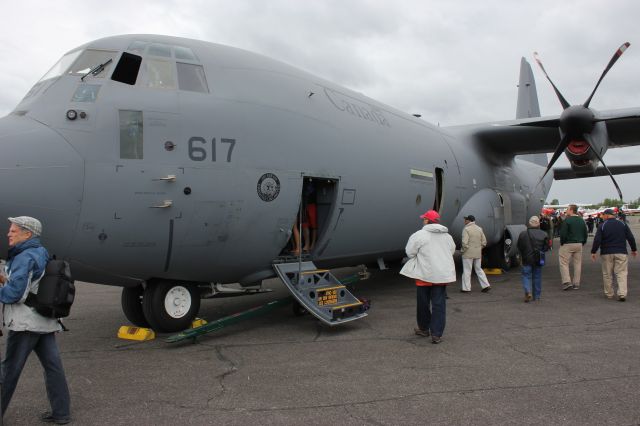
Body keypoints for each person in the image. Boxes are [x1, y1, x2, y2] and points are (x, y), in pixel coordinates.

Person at [0, 217, 71, 424]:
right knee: (53, 367)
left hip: (25, 323)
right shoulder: (41, 252)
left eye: (14, 231)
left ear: (27, 234)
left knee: (8, 370)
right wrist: (5, 280)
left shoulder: (24, 256)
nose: (8, 234)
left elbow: (16, 294)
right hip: (44, 321)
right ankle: (61, 413)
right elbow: (32, 284)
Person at [400, 210, 456, 344]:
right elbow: (452, 250)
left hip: (424, 275)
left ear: (426, 220)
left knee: (423, 304)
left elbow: (410, 252)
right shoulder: (447, 236)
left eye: (423, 219)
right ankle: (436, 334)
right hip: (441, 276)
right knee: (439, 305)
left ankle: (424, 328)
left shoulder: (419, 235)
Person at [591, 208, 637, 301]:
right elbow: (630, 237)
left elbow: (597, 240)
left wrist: (593, 251)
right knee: (622, 273)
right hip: (621, 252)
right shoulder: (622, 224)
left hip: (606, 253)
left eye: (603, 215)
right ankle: (622, 293)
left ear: (607, 215)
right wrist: (634, 249)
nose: (603, 217)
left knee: (607, 274)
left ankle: (609, 293)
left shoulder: (602, 225)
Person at [517, 216, 550, 302]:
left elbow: (519, 246)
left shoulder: (523, 234)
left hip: (526, 258)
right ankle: (537, 296)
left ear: (529, 223)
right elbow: (546, 248)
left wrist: (522, 255)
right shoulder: (544, 234)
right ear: (538, 223)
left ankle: (528, 291)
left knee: (526, 276)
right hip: (539, 259)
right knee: (537, 277)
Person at [558, 204, 588, 290]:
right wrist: (583, 242)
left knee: (564, 263)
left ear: (571, 210)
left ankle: (567, 281)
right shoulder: (581, 220)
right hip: (579, 244)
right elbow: (585, 233)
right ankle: (576, 283)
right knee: (577, 264)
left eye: (567, 209)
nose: (566, 211)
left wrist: (562, 242)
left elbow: (563, 233)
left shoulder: (567, 220)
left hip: (567, 244)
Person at [460, 215, 491, 293]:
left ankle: (466, 288)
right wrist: (479, 248)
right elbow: (484, 242)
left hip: (468, 253)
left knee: (467, 270)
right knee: (479, 269)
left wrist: (463, 251)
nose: (464, 221)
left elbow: (464, 243)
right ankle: (486, 285)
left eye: (465, 219)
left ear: (468, 221)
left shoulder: (466, 229)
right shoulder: (479, 229)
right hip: (477, 253)